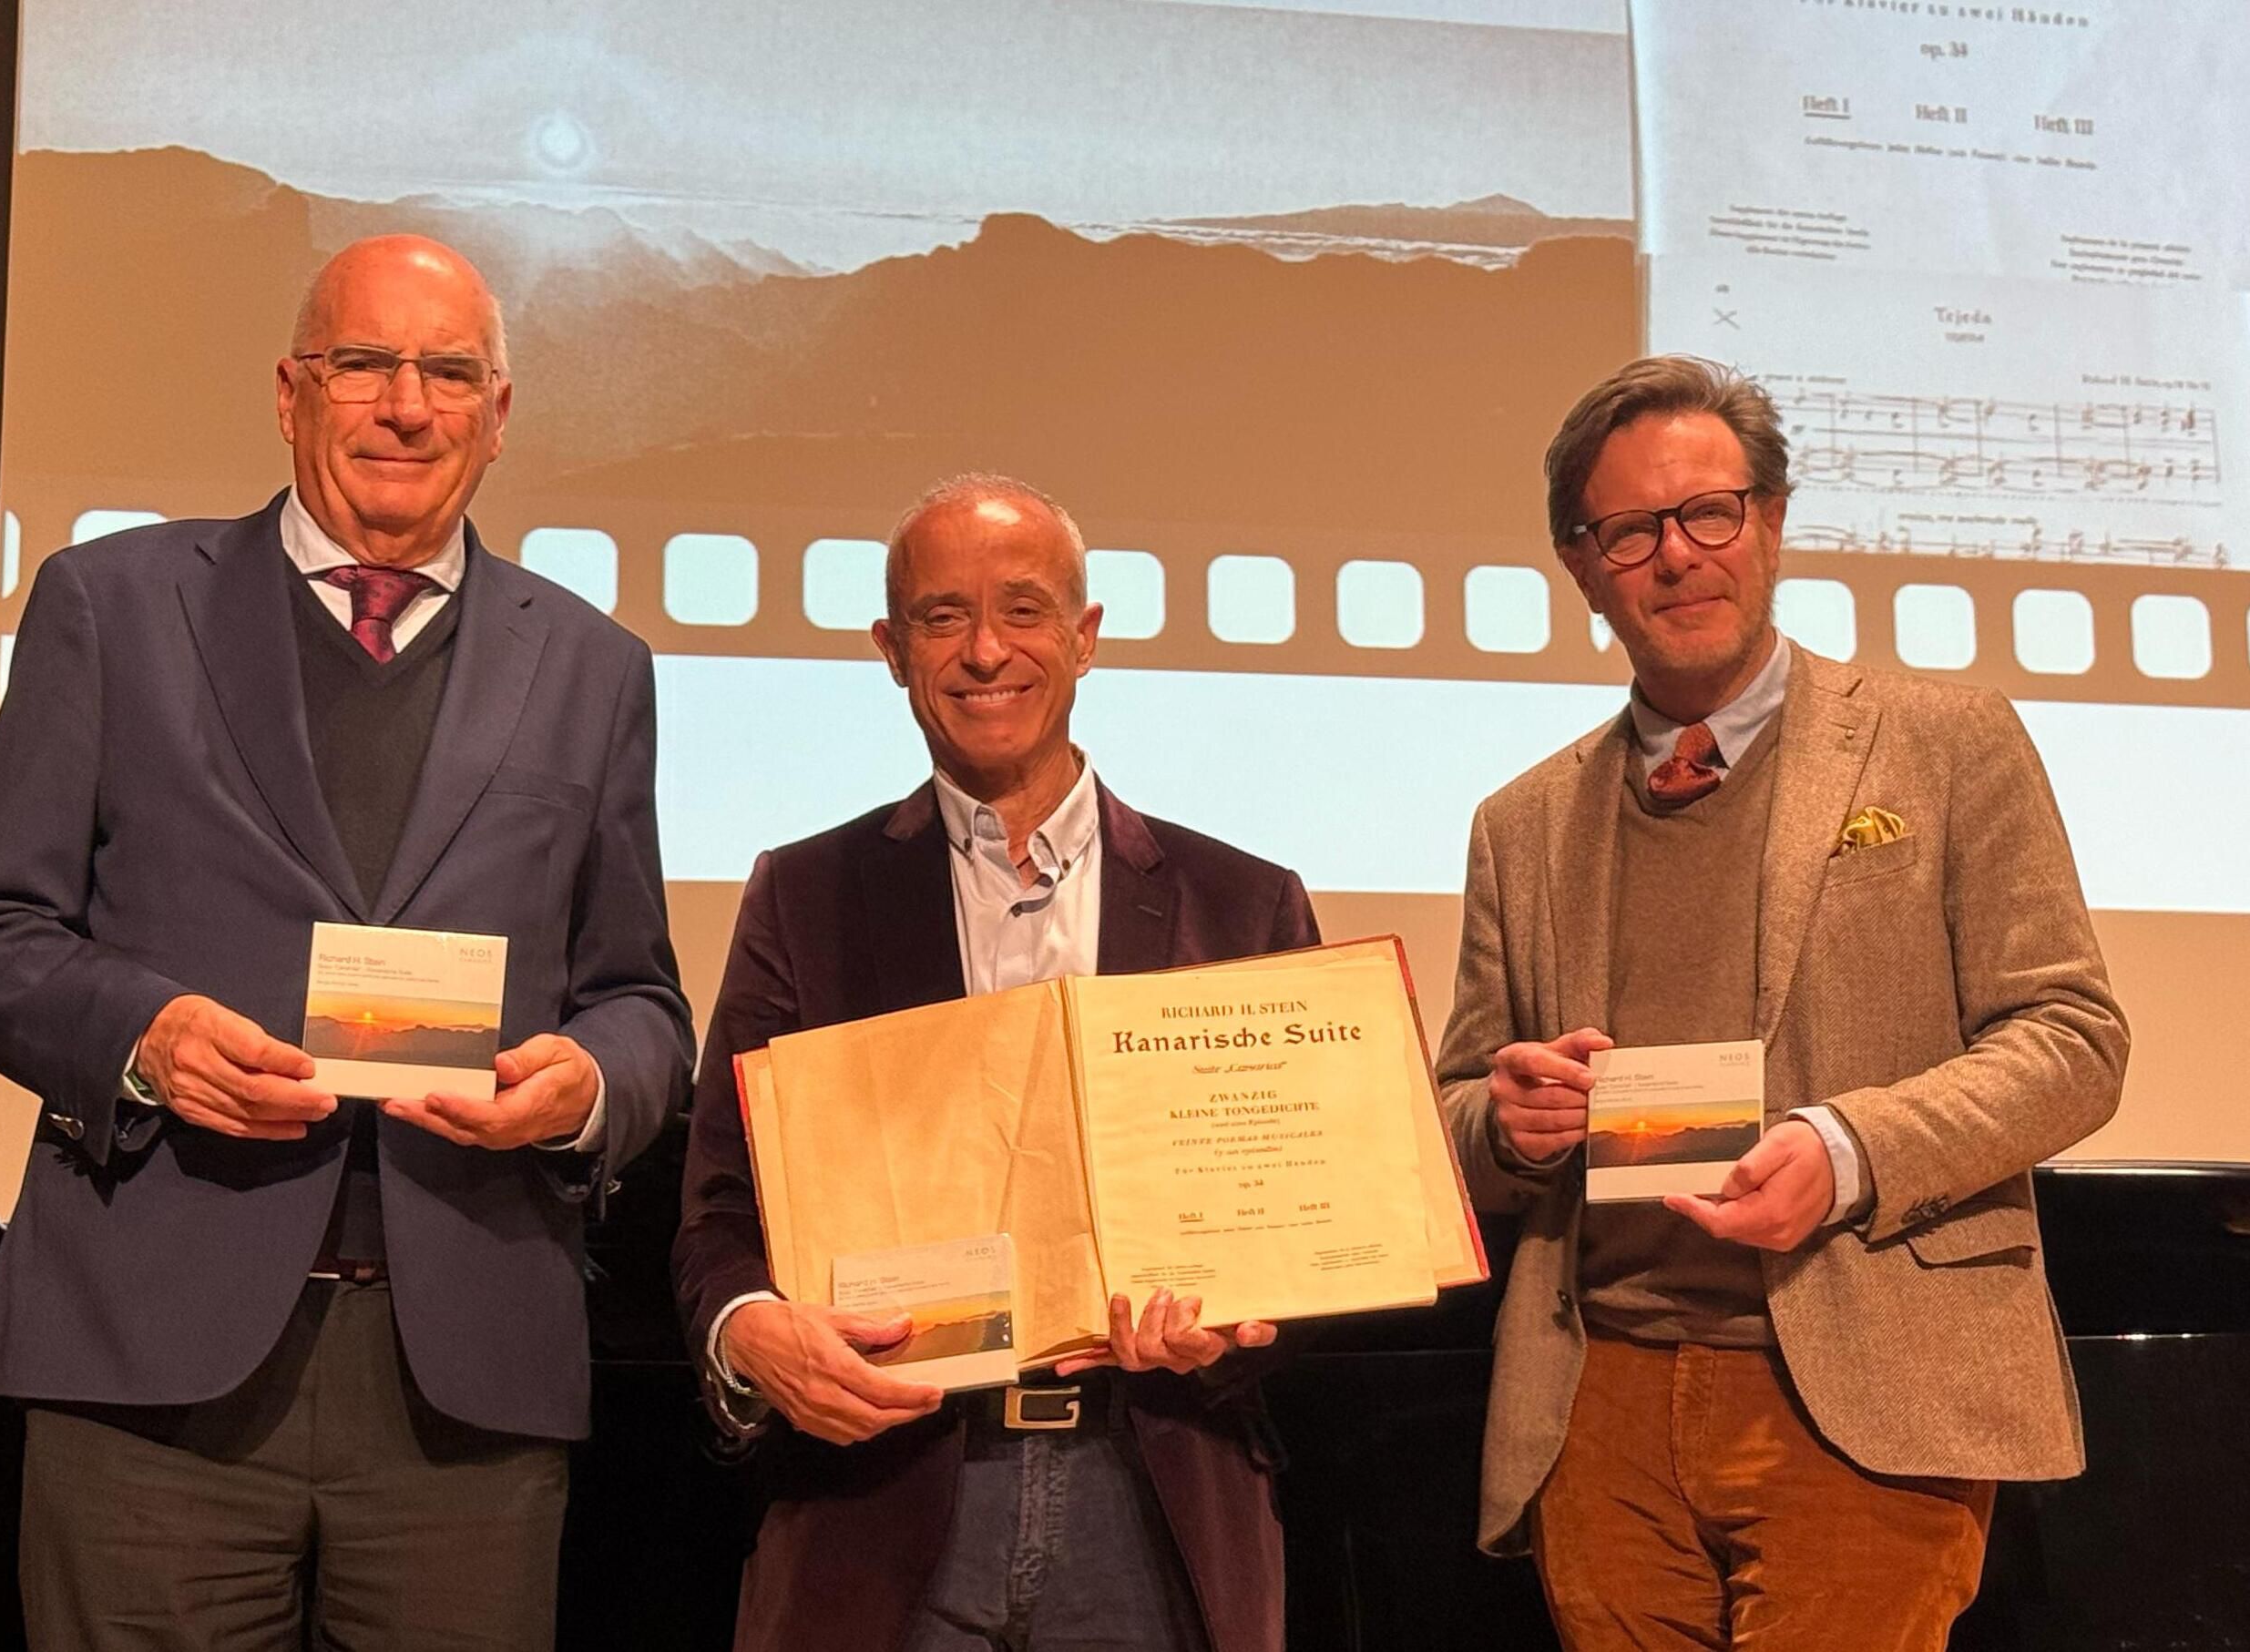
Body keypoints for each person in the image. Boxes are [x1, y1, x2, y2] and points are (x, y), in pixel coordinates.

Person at [0, 234, 692, 1650]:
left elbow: (641, 998)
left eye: (448, 372)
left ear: (498, 414)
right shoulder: (113, 608)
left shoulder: (594, 667)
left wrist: (589, 1087)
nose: (407, 405)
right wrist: (143, 1039)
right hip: (151, 1373)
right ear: (291, 391)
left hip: (462, 1388)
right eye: (365, 364)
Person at [1437, 355, 2128, 1649]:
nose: (1678, 554)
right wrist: (1505, 1123)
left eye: (1711, 511)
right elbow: (1458, 1102)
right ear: (1581, 566)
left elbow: (2073, 1040)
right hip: (1601, 1402)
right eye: (1630, 529)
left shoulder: (1945, 741)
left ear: (1771, 522)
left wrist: (1848, 1150)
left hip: (1863, 1380)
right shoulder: (1521, 824)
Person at [672, 474, 1314, 1652]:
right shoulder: (804, 896)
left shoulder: (1244, 902)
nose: (984, 652)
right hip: (881, 1496)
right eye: (939, 616)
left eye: (1023, 610)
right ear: (889, 650)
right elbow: (717, 1215)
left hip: (1155, 1491)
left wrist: (1244, 1320)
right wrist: (750, 1331)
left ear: (1085, 638)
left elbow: (1300, 1238)